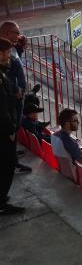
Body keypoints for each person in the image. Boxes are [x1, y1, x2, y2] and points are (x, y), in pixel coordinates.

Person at [0, 21, 32, 174]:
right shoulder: (3, 50)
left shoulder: (10, 48)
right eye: (16, 33)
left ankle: (13, 155)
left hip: (18, 97)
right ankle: (12, 162)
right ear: (7, 33)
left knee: (15, 128)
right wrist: (14, 91)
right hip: (12, 98)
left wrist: (20, 48)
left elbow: (15, 63)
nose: (19, 36)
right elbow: (5, 73)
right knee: (11, 128)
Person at [0, 37, 23, 216]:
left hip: (7, 128)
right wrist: (9, 131)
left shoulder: (3, 72)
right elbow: (1, 108)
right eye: (7, 52)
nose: (9, 55)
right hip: (4, 132)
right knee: (6, 165)